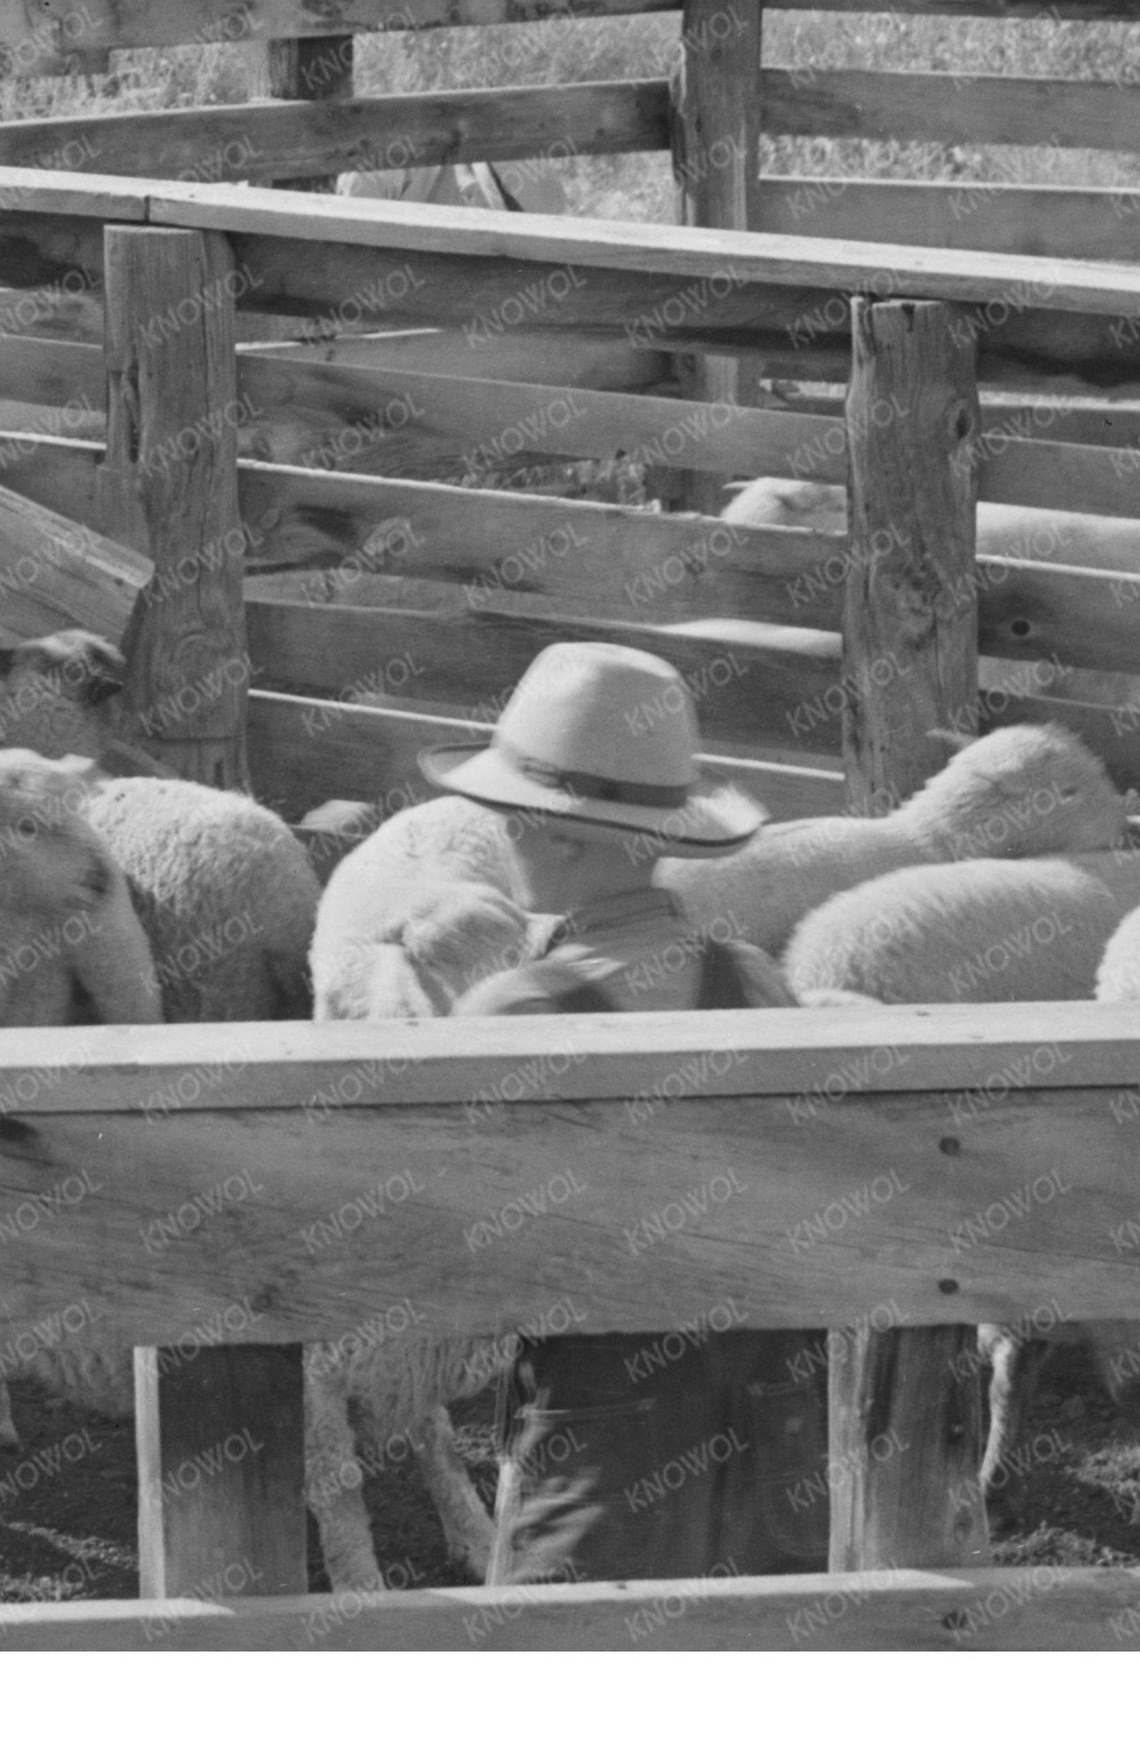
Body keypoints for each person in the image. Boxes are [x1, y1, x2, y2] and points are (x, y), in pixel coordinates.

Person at [421, 640, 836, 1587]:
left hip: (601, 1431)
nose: (502, 838)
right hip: (778, 1421)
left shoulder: (515, 1013)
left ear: (561, 831)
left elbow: (464, 1239)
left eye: (511, 818)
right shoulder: (756, 980)